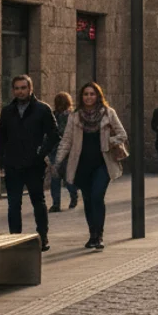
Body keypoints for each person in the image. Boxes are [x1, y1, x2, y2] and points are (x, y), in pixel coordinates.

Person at [54, 82, 127, 251]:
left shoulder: (108, 113)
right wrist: (58, 160)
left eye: (92, 94)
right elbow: (66, 140)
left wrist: (110, 141)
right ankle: (92, 234)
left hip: (103, 163)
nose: (89, 97)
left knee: (97, 196)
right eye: (86, 94)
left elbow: (122, 134)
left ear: (98, 96)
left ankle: (99, 235)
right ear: (81, 97)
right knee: (87, 199)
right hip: (81, 163)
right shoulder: (75, 116)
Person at [0, 75, 58, 252]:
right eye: (17, 88)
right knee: (13, 204)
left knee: (38, 201)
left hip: (34, 165)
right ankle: (15, 239)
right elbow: (1, 137)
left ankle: (43, 237)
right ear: (13, 90)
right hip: (13, 164)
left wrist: (41, 153)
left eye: (23, 88)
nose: (20, 91)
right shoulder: (7, 111)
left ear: (30, 89)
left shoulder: (42, 109)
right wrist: (2, 160)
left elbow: (54, 134)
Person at [48, 91, 79, 211]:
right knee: (67, 177)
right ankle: (73, 197)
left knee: (56, 178)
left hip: (58, 150)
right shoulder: (72, 115)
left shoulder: (55, 115)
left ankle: (56, 203)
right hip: (66, 150)